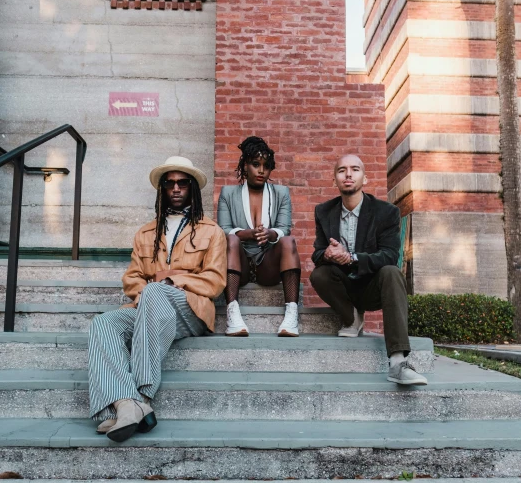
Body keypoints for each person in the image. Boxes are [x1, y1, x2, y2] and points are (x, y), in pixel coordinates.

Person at [88, 156, 227, 443]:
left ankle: (141, 394)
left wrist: (170, 280)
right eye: (169, 183)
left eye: (182, 182)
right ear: (162, 189)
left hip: (190, 310)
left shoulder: (212, 231)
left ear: (192, 188)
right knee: (104, 323)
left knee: (154, 290)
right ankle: (128, 404)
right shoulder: (145, 233)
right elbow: (132, 278)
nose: (176, 188)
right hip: (150, 305)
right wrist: (150, 290)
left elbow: (214, 282)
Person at [310, 154, 428, 386]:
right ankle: (352, 317)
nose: (348, 174)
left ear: (365, 178)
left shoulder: (386, 212)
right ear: (334, 179)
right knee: (319, 274)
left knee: (392, 271)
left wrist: (350, 257)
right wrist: (327, 254)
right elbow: (317, 253)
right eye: (342, 170)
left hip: (374, 285)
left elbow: (389, 255)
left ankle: (397, 362)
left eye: (355, 169)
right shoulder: (324, 211)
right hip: (344, 287)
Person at [217, 136, 301, 337]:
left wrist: (270, 233)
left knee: (288, 241)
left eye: (266, 166)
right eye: (256, 164)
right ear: (245, 166)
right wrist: (249, 234)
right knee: (231, 239)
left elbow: (284, 229)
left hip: (268, 265)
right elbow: (223, 229)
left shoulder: (281, 193)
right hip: (240, 264)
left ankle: (291, 314)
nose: (261, 170)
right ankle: (233, 312)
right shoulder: (228, 193)